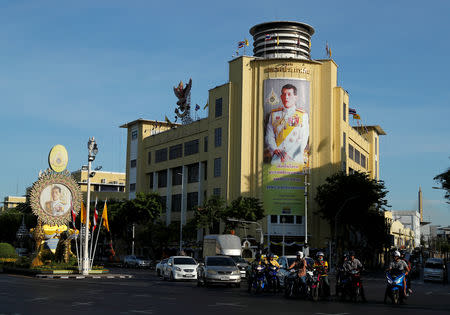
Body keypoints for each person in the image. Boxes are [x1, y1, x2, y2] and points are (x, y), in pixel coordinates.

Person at [265, 84, 309, 166]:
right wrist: (275, 149)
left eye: (289, 94)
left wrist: (289, 154)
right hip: (277, 159)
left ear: (296, 97)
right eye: (284, 94)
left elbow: (304, 139)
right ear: (281, 96)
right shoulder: (274, 115)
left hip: (294, 159)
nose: (286, 97)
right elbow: (269, 136)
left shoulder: (302, 115)